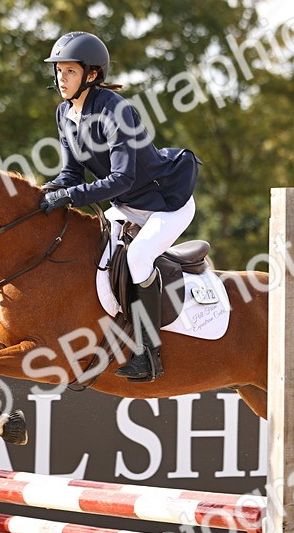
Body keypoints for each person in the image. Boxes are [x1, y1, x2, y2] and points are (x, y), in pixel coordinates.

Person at [38, 31, 201, 383]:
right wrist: (42, 194)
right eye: (58, 71)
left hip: (165, 204)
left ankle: (148, 353)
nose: (61, 79)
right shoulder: (64, 113)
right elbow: (70, 172)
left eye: (69, 72)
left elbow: (122, 178)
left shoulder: (117, 111)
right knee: (91, 256)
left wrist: (69, 197)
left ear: (91, 75)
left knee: (138, 258)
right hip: (127, 206)